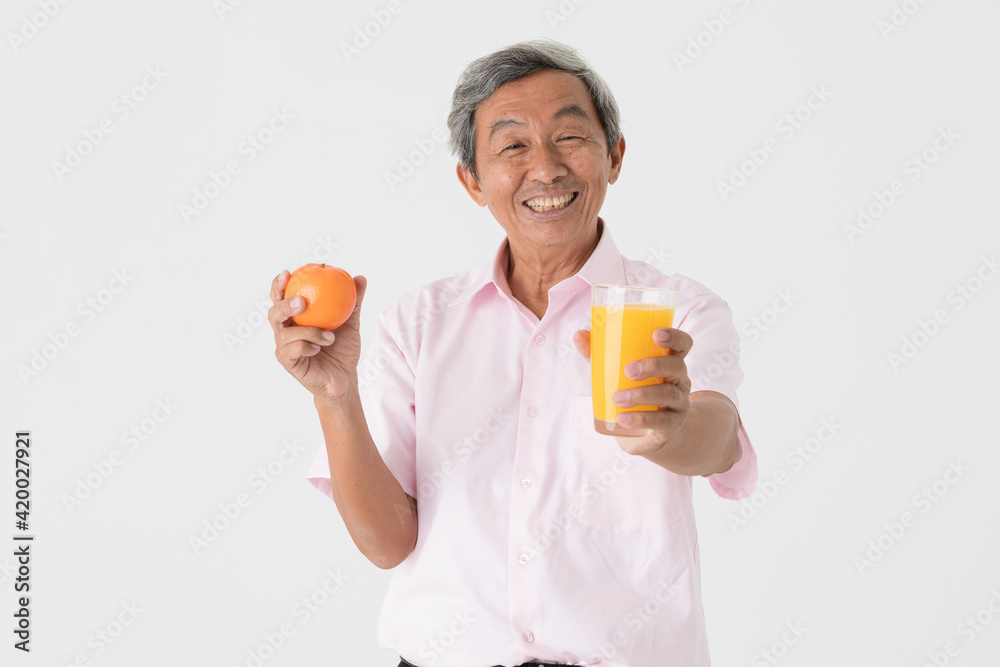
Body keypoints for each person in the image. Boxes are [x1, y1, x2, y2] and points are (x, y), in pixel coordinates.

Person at [269, 39, 757, 667]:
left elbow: (716, 442)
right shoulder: (419, 324)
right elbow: (387, 543)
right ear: (471, 180)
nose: (546, 169)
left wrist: (669, 426)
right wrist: (334, 396)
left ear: (615, 156)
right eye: (512, 146)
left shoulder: (678, 310)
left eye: (571, 138)